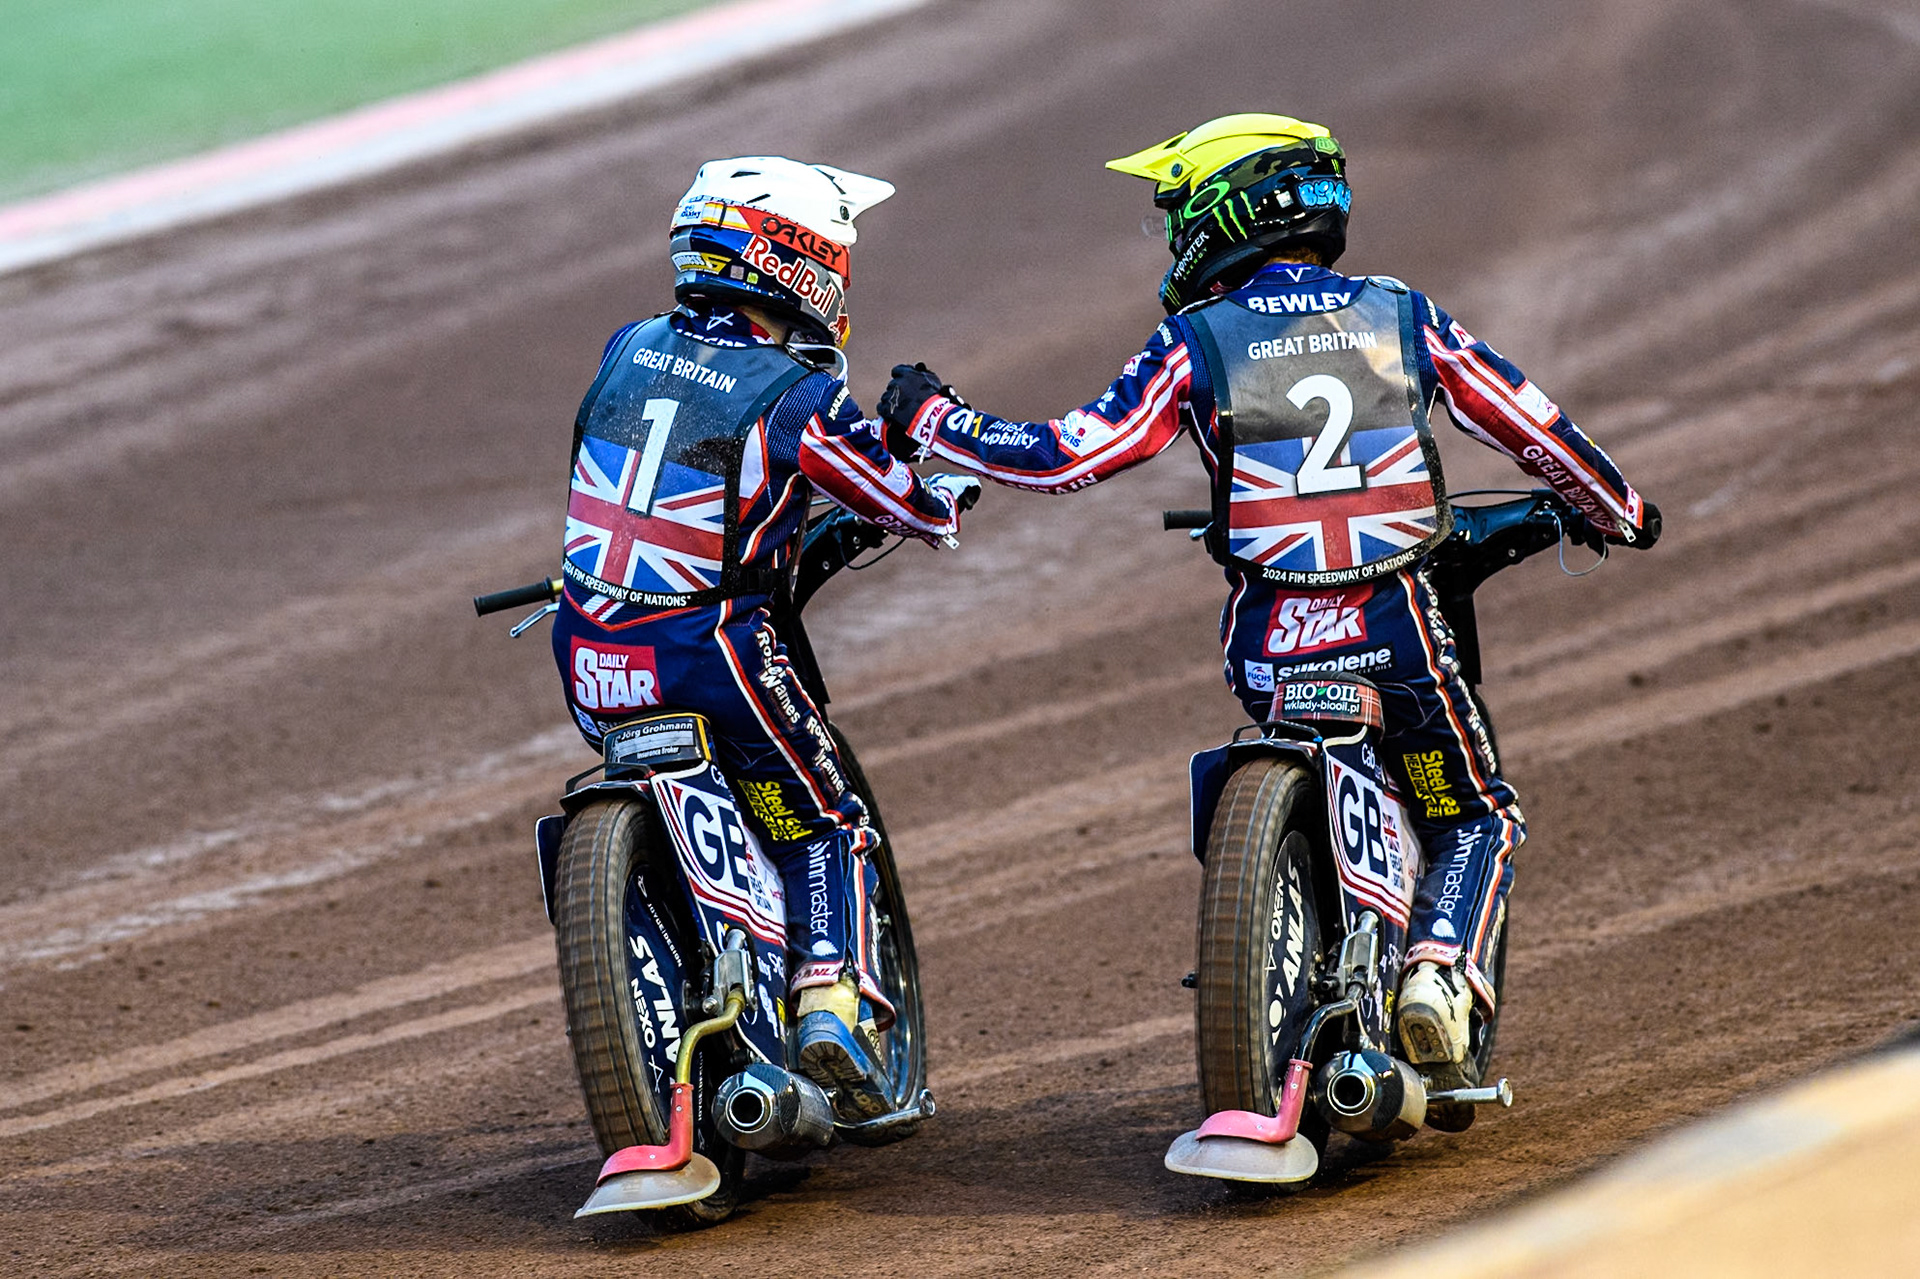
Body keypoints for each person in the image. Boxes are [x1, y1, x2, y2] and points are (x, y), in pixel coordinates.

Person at [876, 114, 1659, 1093]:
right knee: (1473, 814)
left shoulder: (1195, 338)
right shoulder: (1401, 314)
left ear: (1230, 210)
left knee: (1309, 729)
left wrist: (937, 418)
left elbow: (1068, 456)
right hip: (1395, 626)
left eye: (1178, 212)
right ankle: (1436, 968)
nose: (1173, 235)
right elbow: (1532, 424)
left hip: (1270, 639)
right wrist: (1621, 510)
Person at [555, 155, 976, 1118]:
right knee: (824, 821)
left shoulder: (626, 346)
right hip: (713, 655)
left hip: (589, 651)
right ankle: (829, 1004)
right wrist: (940, 482)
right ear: (798, 262)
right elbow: (909, 506)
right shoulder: (793, 393)